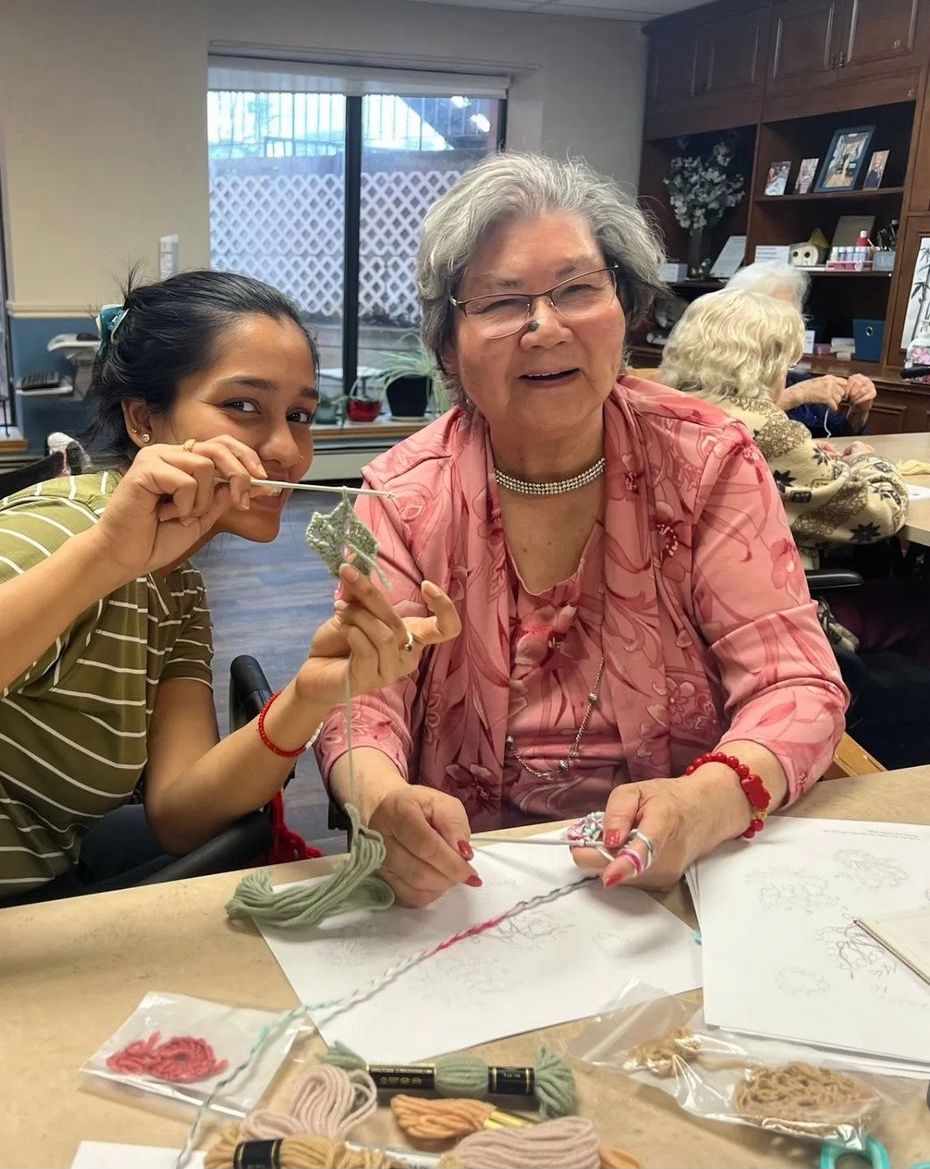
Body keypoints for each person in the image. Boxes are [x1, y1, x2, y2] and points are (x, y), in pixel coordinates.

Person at [0, 270, 460, 927]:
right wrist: (98, 563)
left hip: (17, 909)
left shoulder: (179, 582)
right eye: (243, 407)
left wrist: (308, 697)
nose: (285, 450)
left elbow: (179, 812)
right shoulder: (61, 529)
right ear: (142, 421)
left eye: (301, 416)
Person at [314, 154, 848, 908]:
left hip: (693, 877)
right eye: (501, 304)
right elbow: (361, 701)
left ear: (626, 309)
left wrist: (707, 804)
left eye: (577, 290)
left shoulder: (707, 461)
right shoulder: (401, 495)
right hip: (468, 887)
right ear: (446, 347)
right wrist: (379, 802)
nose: (545, 327)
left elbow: (797, 683)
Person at [659, 289, 906, 569]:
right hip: (769, 599)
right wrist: (867, 459)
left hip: (675, 586)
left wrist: (808, 458)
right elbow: (881, 514)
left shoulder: (666, 408)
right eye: (787, 365)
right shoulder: (763, 429)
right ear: (767, 364)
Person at [725, 261, 876, 437]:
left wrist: (859, 410)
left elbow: (841, 438)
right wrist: (795, 396)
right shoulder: (715, 374)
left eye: (791, 315)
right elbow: (728, 431)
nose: (786, 325)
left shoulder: (795, 379)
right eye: (773, 314)